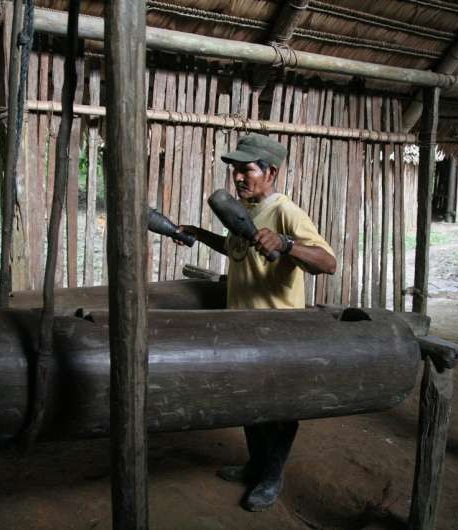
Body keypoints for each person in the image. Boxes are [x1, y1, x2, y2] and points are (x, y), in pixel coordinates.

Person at [176, 133, 337, 511]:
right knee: (250, 403)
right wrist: (200, 235)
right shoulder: (245, 213)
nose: (237, 178)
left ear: (271, 172)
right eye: (234, 171)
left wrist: (286, 244)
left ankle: (271, 476)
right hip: (243, 328)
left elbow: (328, 263)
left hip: (279, 333)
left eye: (246, 170)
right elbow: (239, 248)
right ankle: (255, 465)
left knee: (279, 409)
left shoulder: (286, 212)